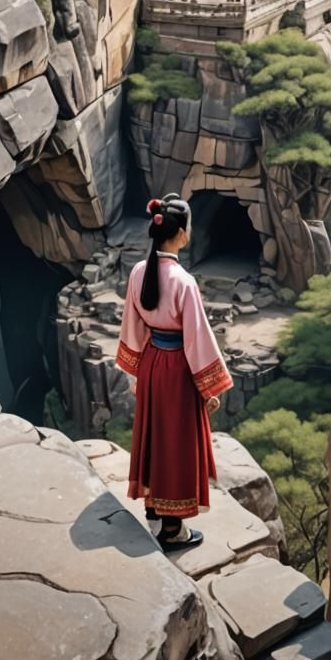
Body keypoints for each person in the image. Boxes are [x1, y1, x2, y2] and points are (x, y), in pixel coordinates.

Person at [117, 192, 233, 551]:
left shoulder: (139, 272)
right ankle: (173, 530)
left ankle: (154, 513)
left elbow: (132, 328)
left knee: (153, 437)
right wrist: (209, 388)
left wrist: (136, 374)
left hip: (152, 363)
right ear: (182, 233)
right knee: (176, 444)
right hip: (178, 370)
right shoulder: (184, 281)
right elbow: (197, 338)